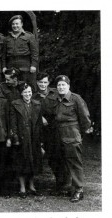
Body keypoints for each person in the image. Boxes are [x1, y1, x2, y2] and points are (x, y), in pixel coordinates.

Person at [52, 75, 92, 203]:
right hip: (59, 134)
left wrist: (79, 135)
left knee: (74, 162)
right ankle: (69, 188)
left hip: (72, 134)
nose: (61, 87)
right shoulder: (57, 98)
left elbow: (85, 119)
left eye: (63, 85)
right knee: (63, 162)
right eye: (59, 85)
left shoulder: (76, 99)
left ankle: (79, 190)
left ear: (68, 86)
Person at [32, 73, 71, 196]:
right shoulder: (33, 96)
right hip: (43, 132)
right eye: (40, 82)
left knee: (61, 157)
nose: (42, 85)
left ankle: (66, 185)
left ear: (48, 83)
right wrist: (40, 118)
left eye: (45, 82)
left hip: (57, 129)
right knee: (51, 158)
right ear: (37, 83)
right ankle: (59, 184)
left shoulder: (56, 93)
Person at [10, 82, 43, 199]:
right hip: (21, 137)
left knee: (32, 161)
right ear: (21, 93)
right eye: (25, 92)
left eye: (29, 92)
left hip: (34, 137)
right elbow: (13, 123)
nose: (27, 94)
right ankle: (22, 187)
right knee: (21, 161)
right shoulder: (15, 104)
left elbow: (39, 124)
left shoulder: (37, 104)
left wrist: (41, 142)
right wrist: (15, 138)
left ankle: (32, 185)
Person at [3, 15, 39, 90]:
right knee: (13, 85)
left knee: (26, 85)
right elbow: (3, 54)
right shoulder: (7, 38)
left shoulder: (29, 36)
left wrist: (33, 65)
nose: (15, 26)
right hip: (11, 64)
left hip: (25, 64)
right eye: (13, 24)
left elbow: (35, 52)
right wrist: (4, 66)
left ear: (21, 24)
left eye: (17, 24)